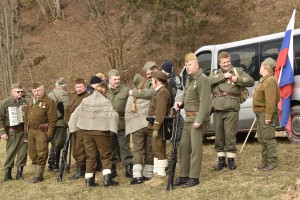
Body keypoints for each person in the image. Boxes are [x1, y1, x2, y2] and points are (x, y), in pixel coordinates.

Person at [208, 52, 254, 171]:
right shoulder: (215, 73)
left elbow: (250, 81)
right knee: (219, 135)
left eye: (228, 61)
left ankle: (231, 160)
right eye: (224, 62)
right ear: (220, 63)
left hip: (232, 108)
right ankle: (221, 160)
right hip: (217, 109)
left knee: (230, 134)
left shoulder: (237, 71)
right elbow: (208, 82)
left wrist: (236, 78)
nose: (227, 64)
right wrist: (224, 76)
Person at [68, 83, 119, 187]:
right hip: (102, 132)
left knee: (90, 156)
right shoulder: (106, 102)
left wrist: (73, 128)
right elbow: (113, 116)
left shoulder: (85, 100)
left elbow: (74, 115)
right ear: (104, 92)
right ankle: (107, 180)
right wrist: (113, 130)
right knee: (105, 155)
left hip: (86, 133)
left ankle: (89, 181)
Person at [173, 53, 211, 188]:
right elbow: (187, 95)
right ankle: (184, 175)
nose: (187, 67)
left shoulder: (203, 79)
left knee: (195, 149)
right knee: (183, 147)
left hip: (196, 119)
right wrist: (180, 103)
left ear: (197, 64)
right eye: (186, 65)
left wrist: (200, 120)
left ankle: (194, 177)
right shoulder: (190, 79)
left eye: (189, 65)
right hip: (188, 119)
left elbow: (205, 102)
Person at [25, 82, 58, 183]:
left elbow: (53, 119)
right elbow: (26, 115)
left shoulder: (49, 102)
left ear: (44, 90)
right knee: (32, 153)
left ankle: (39, 176)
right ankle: (36, 173)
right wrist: (26, 129)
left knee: (42, 152)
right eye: (35, 91)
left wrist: (50, 133)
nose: (37, 92)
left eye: (39, 90)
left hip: (42, 131)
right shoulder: (31, 101)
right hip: (31, 130)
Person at [144, 71, 171, 187]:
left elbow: (160, 112)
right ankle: (156, 174)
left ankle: (161, 175)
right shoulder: (159, 92)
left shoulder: (162, 93)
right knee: (155, 150)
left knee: (159, 150)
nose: (151, 81)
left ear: (157, 81)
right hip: (155, 125)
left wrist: (156, 127)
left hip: (158, 126)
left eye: (153, 79)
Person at [125, 74, 153, 185]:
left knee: (137, 150)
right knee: (149, 150)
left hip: (137, 127)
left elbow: (128, 112)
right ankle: (148, 173)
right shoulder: (150, 94)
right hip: (149, 125)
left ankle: (137, 176)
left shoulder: (132, 96)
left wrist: (131, 125)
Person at [253, 57, 279, 171]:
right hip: (260, 113)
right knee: (262, 138)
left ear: (265, 67)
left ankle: (272, 162)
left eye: (261, 65)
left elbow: (271, 100)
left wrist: (268, 117)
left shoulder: (270, 80)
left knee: (268, 138)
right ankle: (265, 162)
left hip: (265, 113)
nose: (260, 67)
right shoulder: (263, 80)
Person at [107, 69, 133, 178]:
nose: (117, 81)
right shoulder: (104, 91)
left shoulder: (126, 90)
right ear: (109, 80)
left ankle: (128, 168)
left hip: (122, 122)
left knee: (124, 146)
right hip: (108, 123)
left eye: (118, 79)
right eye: (115, 79)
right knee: (110, 146)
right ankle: (112, 169)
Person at [0, 83, 29, 181]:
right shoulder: (5, 103)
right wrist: (2, 132)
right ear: (12, 92)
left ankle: (19, 174)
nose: (20, 93)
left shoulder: (26, 101)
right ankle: (8, 174)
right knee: (11, 152)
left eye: (21, 91)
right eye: (18, 91)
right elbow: (0, 118)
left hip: (24, 131)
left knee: (23, 152)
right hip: (11, 132)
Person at [64, 78, 90, 180]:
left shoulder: (88, 97)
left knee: (80, 149)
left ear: (85, 86)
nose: (78, 89)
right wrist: (68, 122)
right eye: (77, 87)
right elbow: (67, 110)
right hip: (72, 127)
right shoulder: (73, 97)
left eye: (80, 87)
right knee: (75, 148)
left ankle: (81, 171)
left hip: (82, 127)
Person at [47, 77, 69, 172]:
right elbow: (67, 109)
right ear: (64, 85)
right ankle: (55, 164)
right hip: (60, 122)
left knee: (53, 143)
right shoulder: (64, 95)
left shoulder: (49, 94)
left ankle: (51, 163)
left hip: (50, 122)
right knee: (59, 143)